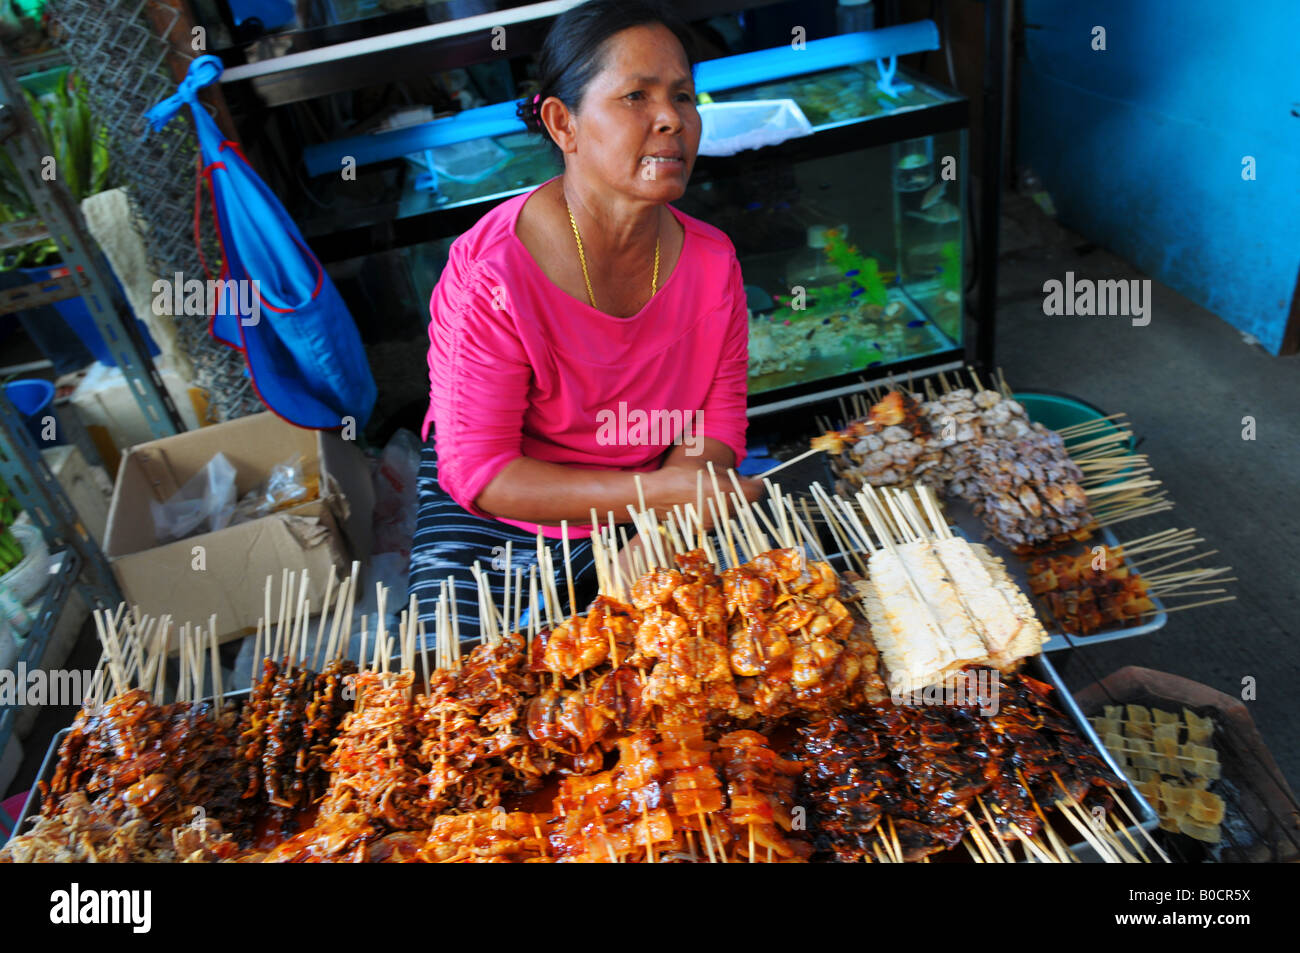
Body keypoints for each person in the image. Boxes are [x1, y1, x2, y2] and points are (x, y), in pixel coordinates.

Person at [410, 0, 762, 641]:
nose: (671, 119)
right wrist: (659, 498)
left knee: (741, 647)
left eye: (683, 96)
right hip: (505, 511)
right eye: (636, 96)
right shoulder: (491, 275)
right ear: (562, 122)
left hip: (661, 493)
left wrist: (662, 531)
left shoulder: (713, 263)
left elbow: (714, 426)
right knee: (469, 683)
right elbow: (485, 473)